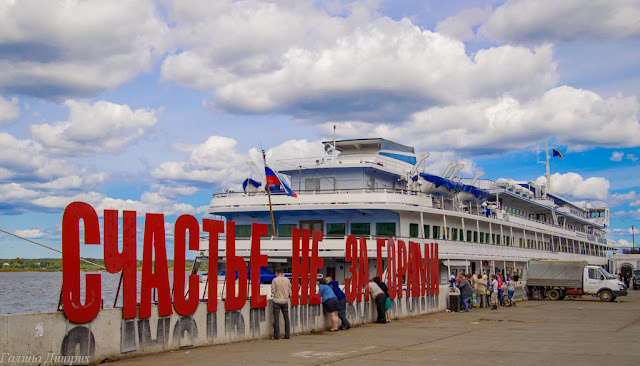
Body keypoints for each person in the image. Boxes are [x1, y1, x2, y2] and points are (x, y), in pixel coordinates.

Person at [271, 268, 291, 339]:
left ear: (276, 273)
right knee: (286, 318)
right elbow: (289, 290)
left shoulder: (275, 280)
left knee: (276, 319)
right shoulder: (287, 280)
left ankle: (276, 336)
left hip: (277, 301)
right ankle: (287, 335)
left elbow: (273, 291)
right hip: (285, 301)